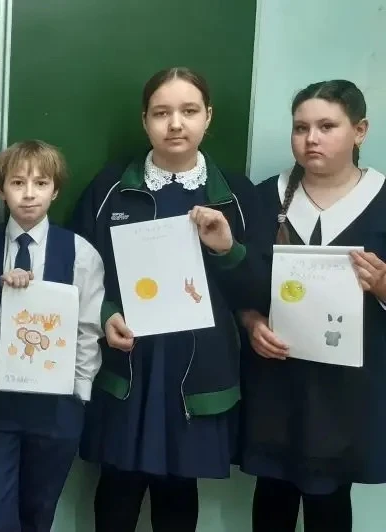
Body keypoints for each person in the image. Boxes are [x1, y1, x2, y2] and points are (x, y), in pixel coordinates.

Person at [69, 67, 260, 532]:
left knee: (178, 489)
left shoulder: (236, 195)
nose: (175, 124)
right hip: (130, 363)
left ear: (208, 117)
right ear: (145, 121)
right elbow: (74, 268)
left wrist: (227, 250)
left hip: (196, 371)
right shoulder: (110, 187)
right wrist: (106, 313)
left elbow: (260, 289)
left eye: (189, 111)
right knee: (118, 486)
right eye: (161, 113)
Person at [238, 80, 382, 532]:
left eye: (327, 126)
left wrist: (382, 284)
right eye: (301, 128)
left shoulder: (380, 200)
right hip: (276, 380)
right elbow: (240, 284)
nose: (311, 139)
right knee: (272, 493)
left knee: (330, 499)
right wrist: (251, 322)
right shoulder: (264, 198)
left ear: (360, 130)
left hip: (346, 389)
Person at [0, 140, 105, 532]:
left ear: (55, 190)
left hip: (56, 403)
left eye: (41, 183)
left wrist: (78, 393)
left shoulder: (79, 253)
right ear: (1, 190)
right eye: (17, 183)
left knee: (39, 512)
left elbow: (87, 329)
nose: (29, 194)